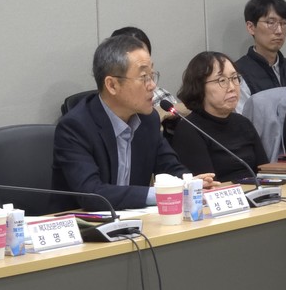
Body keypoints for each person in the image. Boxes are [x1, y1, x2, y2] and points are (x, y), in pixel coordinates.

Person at [52, 35, 217, 211]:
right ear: (112, 85)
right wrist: (162, 193)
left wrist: (191, 183)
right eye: (144, 77)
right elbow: (92, 194)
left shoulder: (148, 120)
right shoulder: (75, 127)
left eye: (152, 75)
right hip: (83, 223)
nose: (152, 86)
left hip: (135, 220)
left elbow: (170, 167)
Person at [171, 52, 268, 182]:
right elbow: (207, 184)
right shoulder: (189, 129)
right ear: (200, 87)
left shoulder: (243, 123)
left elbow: (265, 172)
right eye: (222, 80)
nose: (232, 87)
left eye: (234, 78)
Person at [235, 0, 286, 112]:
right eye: (271, 23)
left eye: (284, 23)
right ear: (251, 27)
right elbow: (244, 118)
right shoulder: (238, 73)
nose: (279, 31)